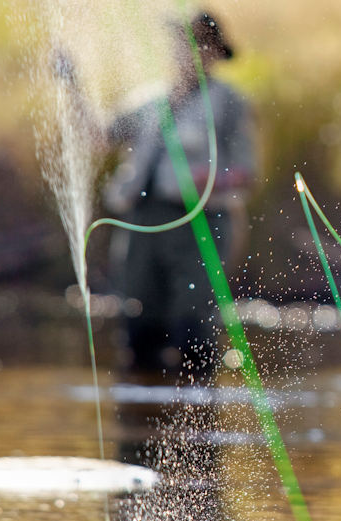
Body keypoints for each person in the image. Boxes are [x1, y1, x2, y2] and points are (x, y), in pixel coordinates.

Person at [102, 10, 257, 382]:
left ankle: (198, 415)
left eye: (201, 42)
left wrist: (211, 179)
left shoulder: (230, 103)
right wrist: (69, 84)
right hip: (143, 224)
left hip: (200, 225)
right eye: (184, 42)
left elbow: (247, 172)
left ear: (215, 52)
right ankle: (141, 419)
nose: (189, 51)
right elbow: (100, 135)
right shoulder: (150, 101)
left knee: (193, 322)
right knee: (139, 318)